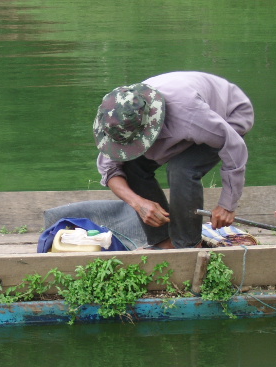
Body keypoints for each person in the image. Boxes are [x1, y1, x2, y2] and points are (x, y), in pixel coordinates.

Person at [93, 71, 254, 249]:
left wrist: (227, 205)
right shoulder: (117, 122)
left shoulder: (190, 113)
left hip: (227, 115)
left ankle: (189, 247)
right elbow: (110, 171)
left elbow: (234, 148)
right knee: (131, 167)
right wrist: (138, 203)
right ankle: (164, 241)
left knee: (182, 170)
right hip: (184, 129)